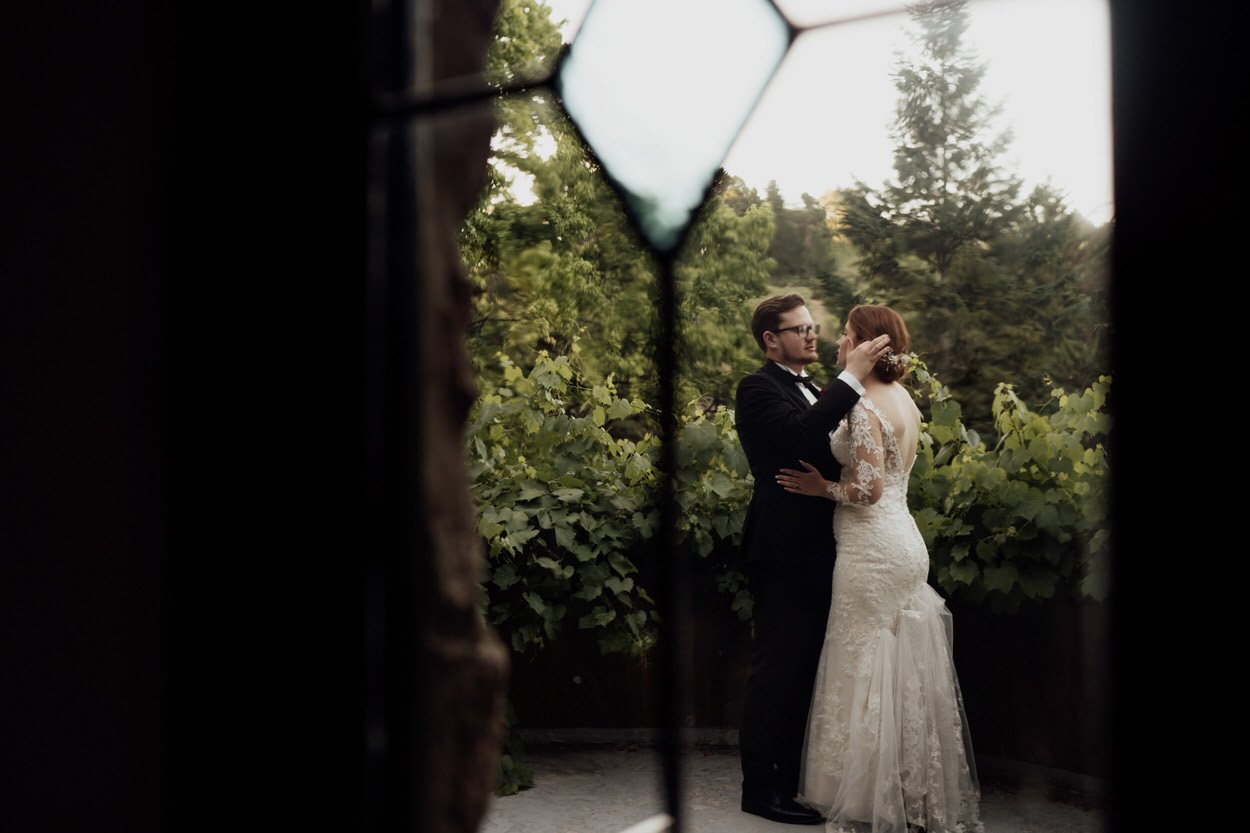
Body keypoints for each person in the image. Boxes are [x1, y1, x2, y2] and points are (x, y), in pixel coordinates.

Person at [776, 305, 982, 833]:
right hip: (905, 541)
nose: (839, 343)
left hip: (871, 548)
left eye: (847, 335)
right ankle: (908, 788)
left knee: (862, 660)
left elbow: (868, 490)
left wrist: (821, 488)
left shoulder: (864, 406)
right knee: (900, 665)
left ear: (866, 344)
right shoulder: (904, 399)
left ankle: (865, 792)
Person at [735, 294, 892, 825]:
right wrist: (851, 378)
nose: (810, 335)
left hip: (830, 549)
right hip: (781, 550)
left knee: (806, 670)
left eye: (812, 327)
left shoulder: (819, 390)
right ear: (770, 340)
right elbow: (800, 435)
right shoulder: (757, 388)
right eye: (797, 329)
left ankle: (789, 782)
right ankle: (759, 789)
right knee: (776, 669)